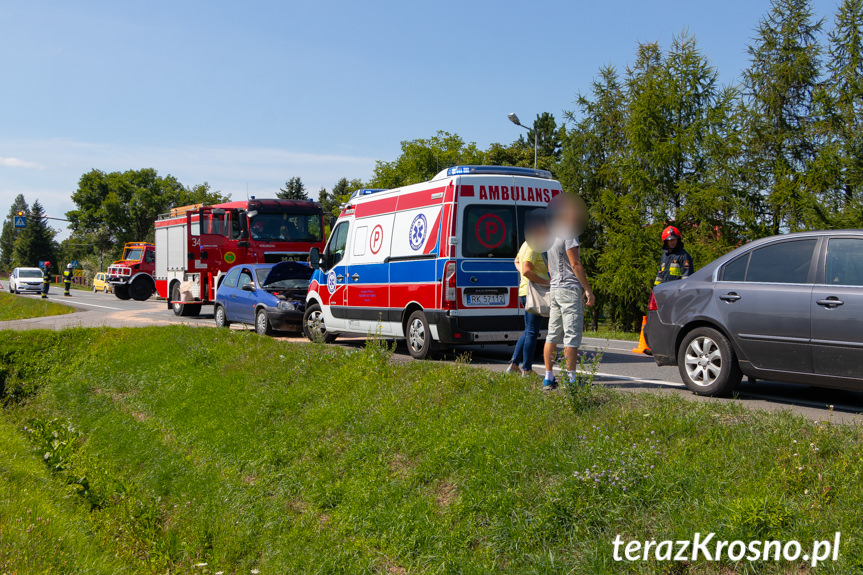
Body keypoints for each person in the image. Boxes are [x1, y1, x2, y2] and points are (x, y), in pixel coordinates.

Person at [542, 196, 595, 390]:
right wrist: (588, 289)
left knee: (552, 335)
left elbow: (549, 265)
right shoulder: (569, 234)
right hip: (570, 289)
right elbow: (575, 263)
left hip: (555, 288)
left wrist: (554, 278)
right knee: (571, 335)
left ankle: (548, 377)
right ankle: (571, 379)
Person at [506, 227, 550, 377]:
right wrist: (546, 281)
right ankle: (527, 369)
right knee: (532, 331)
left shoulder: (526, 244)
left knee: (529, 330)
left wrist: (524, 275)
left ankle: (514, 365)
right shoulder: (534, 246)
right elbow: (526, 270)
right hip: (533, 292)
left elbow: (517, 261)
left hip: (526, 291)